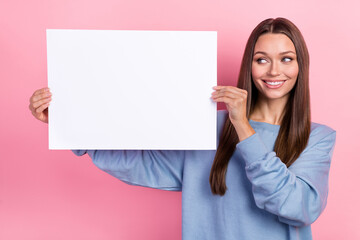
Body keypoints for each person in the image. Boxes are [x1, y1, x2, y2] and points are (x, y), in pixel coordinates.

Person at [29, 17, 336, 240]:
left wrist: (243, 126)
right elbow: (145, 165)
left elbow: (296, 207)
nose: (274, 70)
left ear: (300, 66)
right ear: (249, 66)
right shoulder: (209, 127)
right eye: (261, 59)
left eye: (286, 58)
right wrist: (69, 124)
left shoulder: (318, 138)